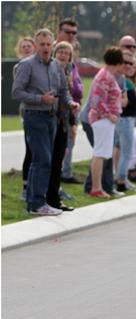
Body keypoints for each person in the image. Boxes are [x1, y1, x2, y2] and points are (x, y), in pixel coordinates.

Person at [11, 28, 80, 215]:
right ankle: (38, 203)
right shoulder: (27, 65)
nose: (46, 47)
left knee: (39, 162)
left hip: (52, 118)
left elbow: (64, 90)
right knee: (43, 160)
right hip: (34, 116)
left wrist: (71, 103)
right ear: (36, 46)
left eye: (49, 44)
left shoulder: (56, 66)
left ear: (53, 45)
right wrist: (41, 99)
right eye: (42, 44)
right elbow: (16, 92)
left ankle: (34, 204)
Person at [88, 47, 126, 199]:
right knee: (100, 153)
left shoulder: (107, 75)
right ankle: (96, 188)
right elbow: (97, 100)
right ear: (117, 62)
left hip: (104, 120)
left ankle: (97, 187)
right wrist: (109, 115)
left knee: (101, 153)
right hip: (102, 120)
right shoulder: (105, 76)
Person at [46, 41, 76, 212]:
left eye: (67, 53)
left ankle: (54, 198)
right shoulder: (50, 70)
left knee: (58, 160)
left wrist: (72, 122)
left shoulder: (69, 72)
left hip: (64, 120)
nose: (63, 55)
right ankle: (44, 197)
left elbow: (69, 97)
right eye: (60, 52)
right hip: (50, 119)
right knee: (46, 160)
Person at [113, 50, 136, 193]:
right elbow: (134, 103)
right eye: (124, 63)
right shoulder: (125, 81)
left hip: (123, 120)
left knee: (120, 150)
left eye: (131, 63)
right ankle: (121, 181)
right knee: (126, 152)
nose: (128, 66)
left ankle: (122, 178)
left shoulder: (126, 81)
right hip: (125, 120)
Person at [14, 36, 36, 201]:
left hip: (43, 111)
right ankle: (25, 187)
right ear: (20, 50)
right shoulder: (19, 67)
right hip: (28, 112)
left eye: (29, 46)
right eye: (24, 47)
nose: (27, 49)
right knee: (30, 149)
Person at [61, 40, 84, 185]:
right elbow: (73, 89)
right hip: (66, 109)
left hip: (74, 108)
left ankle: (67, 171)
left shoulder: (74, 67)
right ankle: (64, 172)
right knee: (66, 143)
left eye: (74, 50)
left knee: (71, 141)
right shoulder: (65, 69)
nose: (72, 53)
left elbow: (79, 89)